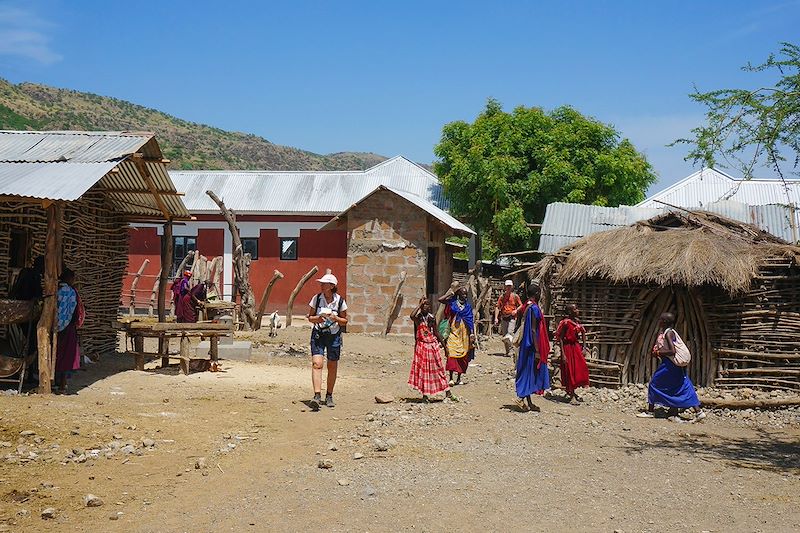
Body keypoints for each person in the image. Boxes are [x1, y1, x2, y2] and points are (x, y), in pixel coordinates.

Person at [637, 312, 702, 420]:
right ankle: (698, 412)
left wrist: (658, 353)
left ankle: (650, 411)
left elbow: (672, 351)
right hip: (675, 365)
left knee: (654, 383)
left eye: (661, 320)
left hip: (669, 365)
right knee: (682, 384)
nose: (659, 321)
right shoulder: (670, 332)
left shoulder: (668, 333)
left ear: (665, 322)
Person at [306, 273, 348, 410]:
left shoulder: (340, 301)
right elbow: (310, 317)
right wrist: (318, 318)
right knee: (317, 363)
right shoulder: (316, 299)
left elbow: (345, 320)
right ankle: (317, 395)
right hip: (318, 334)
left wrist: (335, 318)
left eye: (324, 283)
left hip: (334, 335)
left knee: (332, 365)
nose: (322, 285)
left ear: (332, 286)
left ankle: (329, 395)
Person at [409, 297, 454, 402]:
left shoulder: (431, 318)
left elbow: (437, 333)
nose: (426, 306)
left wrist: (445, 348)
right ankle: (425, 395)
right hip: (422, 347)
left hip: (432, 346)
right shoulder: (418, 318)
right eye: (423, 305)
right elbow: (411, 315)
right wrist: (419, 305)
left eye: (427, 304)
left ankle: (448, 392)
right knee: (424, 372)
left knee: (439, 369)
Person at [515, 283, 550, 412]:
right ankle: (521, 398)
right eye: (539, 293)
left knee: (528, 371)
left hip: (526, 344)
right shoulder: (534, 308)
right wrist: (537, 350)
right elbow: (534, 330)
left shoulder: (526, 306)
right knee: (529, 371)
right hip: (532, 346)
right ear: (536, 294)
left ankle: (528, 402)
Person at [54, 268, 84, 394]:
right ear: (68, 278)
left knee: (56, 354)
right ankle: (62, 383)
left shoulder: (56, 291)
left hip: (55, 327)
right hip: (69, 328)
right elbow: (77, 311)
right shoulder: (71, 292)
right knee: (67, 356)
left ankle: (54, 381)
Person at [438, 285, 474, 386]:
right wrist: (450, 294)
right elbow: (440, 299)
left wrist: (471, 333)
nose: (465, 295)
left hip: (464, 334)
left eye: (466, 294)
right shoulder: (452, 303)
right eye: (462, 293)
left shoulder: (468, 307)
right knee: (452, 354)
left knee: (463, 356)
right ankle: (451, 378)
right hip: (453, 332)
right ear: (458, 294)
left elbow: (470, 320)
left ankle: (458, 378)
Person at [555, 304, 590, 404]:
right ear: (570, 312)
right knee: (569, 370)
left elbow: (583, 333)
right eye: (575, 309)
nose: (577, 310)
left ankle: (573, 391)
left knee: (580, 368)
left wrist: (584, 347)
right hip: (567, 348)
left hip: (575, 347)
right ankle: (571, 394)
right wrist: (563, 354)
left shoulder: (576, 322)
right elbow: (560, 338)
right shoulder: (566, 323)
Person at [494, 280, 523, 357]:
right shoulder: (502, 297)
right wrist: (496, 318)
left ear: (512, 287)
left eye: (510, 286)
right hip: (504, 317)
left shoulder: (515, 296)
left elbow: (521, 305)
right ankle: (508, 351)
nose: (508, 288)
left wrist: (516, 310)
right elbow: (497, 307)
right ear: (505, 287)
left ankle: (513, 350)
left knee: (509, 333)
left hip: (512, 317)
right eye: (507, 286)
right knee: (504, 336)